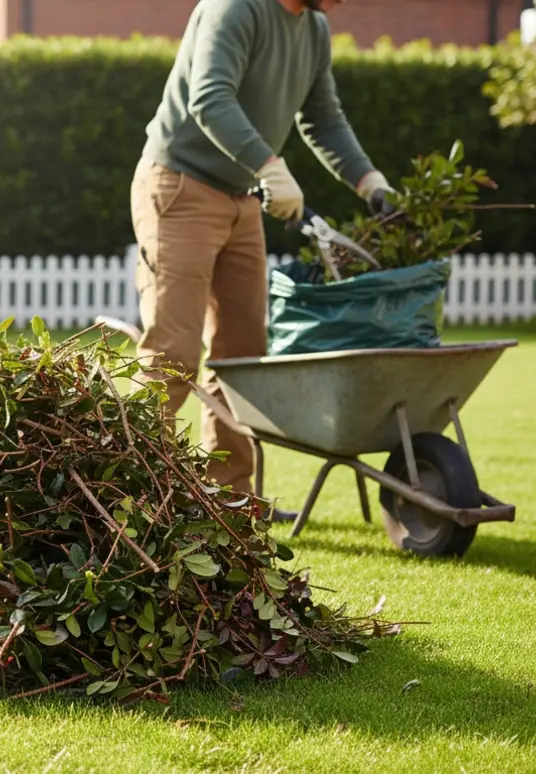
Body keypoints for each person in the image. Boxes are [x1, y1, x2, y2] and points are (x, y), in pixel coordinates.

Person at [131, 0, 394, 504]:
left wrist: (369, 181)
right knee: (172, 353)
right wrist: (269, 166)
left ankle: (228, 501)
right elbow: (210, 98)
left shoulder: (314, 29)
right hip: (179, 187)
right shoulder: (236, 9)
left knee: (243, 358)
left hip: (241, 198)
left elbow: (323, 119)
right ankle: (134, 498)